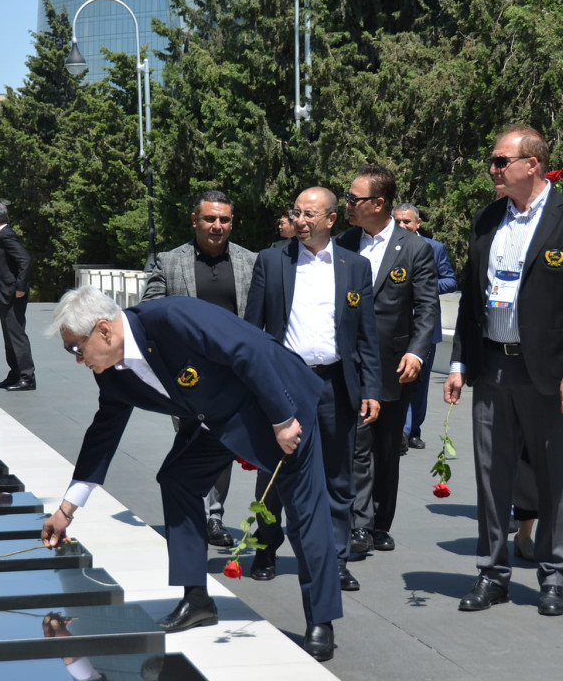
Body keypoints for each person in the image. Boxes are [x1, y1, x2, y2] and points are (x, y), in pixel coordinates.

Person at [41, 287, 342, 661]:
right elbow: (103, 432)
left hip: (279, 401)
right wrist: (66, 510)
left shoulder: (172, 318)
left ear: (103, 331)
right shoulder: (112, 373)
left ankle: (321, 620)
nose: (77, 359)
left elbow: (251, 350)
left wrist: (282, 419)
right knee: (178, 477)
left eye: (76, 348)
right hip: (219, 420)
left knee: (303, 511)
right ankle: (196, 599)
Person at [444, 125, 563, 616]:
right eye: (492, 162)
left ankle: (553, 578)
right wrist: (458, 361)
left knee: (553, 475)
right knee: (491, 474)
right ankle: (492, 574)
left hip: (550, 375)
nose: (491, 170)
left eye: (499, 162)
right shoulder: (487, 219)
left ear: (530, 165)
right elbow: (473, 298)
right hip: (492, 366)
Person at [243, 187, 381, 592]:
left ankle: (335, 559)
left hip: (336, 384)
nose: (301, 221)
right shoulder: (272, 261)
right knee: (275, 469)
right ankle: (266, 547)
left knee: (338, 477)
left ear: (331, 220)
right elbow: (253, 330)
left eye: (310, 214)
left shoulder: (355, 267)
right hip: (284, 383)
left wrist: (371, 387)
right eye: (297, 213)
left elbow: (367, 335)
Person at [141, 190, 257, 548]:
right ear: (195, 221)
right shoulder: (169, 261)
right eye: (210, 219)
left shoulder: (250, 262)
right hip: (185, 375)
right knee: (189, 441)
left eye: (224, 220)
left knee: (221, 443)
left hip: (232, 373)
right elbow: (150, 310)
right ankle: (189, 508)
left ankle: (214, 516)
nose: (217, 226)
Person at [336, 165, 438, 555]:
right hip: (350, 363)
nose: (347, 204)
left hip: (395, 363)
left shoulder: (414, 249)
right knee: (356, 442)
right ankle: (358, 523)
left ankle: (380, 523)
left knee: (385, 446)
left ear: (379, 203)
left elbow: (426, 308)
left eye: (354, 198)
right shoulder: (343, 244)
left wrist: (416, 351)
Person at [391, 203, 459, 451]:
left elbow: (450, 280)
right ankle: (400, 431)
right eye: (397, 221)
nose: (402, 226)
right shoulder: (387, 247)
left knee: (419, 384)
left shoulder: (434, 248)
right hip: (394, 327)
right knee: (397, 379)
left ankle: (413, 429)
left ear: (418, 223)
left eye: (407, 222)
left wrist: (422, 288)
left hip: (425, 327)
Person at [0, 202, 36, 391]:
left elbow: (24, 259)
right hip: (6, 294)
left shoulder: (6, 235)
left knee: (16, 335)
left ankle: (27, 378)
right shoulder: (1, 236)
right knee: (9, 336)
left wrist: (20, 287)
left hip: (13, 294)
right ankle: (15, 374)